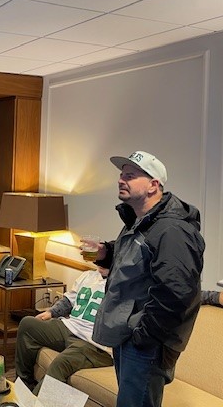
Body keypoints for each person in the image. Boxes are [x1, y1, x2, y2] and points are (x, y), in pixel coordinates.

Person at [85, 151, 204, 407]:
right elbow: (139, 261)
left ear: (153, 185)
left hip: (145, 343)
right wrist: (107, 252)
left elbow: (177, 292)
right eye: (121, 175)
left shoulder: (173, 230)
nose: (121, 180)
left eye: (130, 175)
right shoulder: (141, 221)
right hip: (130, 336)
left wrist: (143, 336)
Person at [15, 266, 113, 394]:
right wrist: (51, 312)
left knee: (60, 363)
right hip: (70, 326)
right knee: (27, 324)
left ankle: (32, 402)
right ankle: (22, 388)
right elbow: (69, 300)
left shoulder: (122, 285)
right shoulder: (87, 276)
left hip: (93, 343)